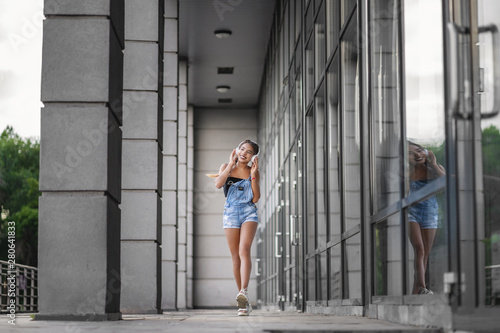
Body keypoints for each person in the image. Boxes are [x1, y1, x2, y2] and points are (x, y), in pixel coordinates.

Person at [214, 139, 260, 316]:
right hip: (231, 212)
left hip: (249, 212)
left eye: (249, 152)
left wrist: (254, 174)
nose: (244, 153)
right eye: (242, 149)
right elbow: (218, 184)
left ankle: (244, 292)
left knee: (244, 250)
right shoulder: (227, 166)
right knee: (235, 256)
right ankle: (243, 303)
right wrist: (230, 164)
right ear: (237, 150)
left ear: (252, 156)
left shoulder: (252, 170)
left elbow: (255, 198)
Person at [407, 141, 446, 295]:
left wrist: (435, 164)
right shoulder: (406, 172)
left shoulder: (435, 169)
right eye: (411, 153)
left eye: (419, 150)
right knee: (419, 249)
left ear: (426, 151)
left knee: (424, 255)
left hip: (430, 213)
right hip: (412, 213)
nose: (417, 155)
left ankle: (416, 292)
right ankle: (423, 287)